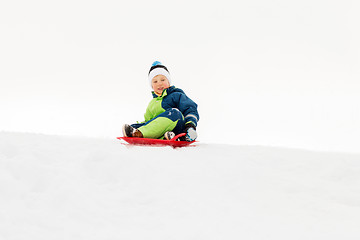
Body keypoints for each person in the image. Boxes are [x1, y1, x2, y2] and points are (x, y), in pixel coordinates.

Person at [122, 61, 199, 141]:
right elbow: (148, 122)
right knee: (135, 125)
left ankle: (140, 134)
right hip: (161, 132)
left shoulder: (176, 95)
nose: (159, 83)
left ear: (168, 82)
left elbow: (190, 109)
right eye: (155, 81)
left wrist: (190, 126)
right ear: (152, 86)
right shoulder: (152, 104)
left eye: (163, 80)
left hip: (178, 127)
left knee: (174, 113)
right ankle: (167, 136)